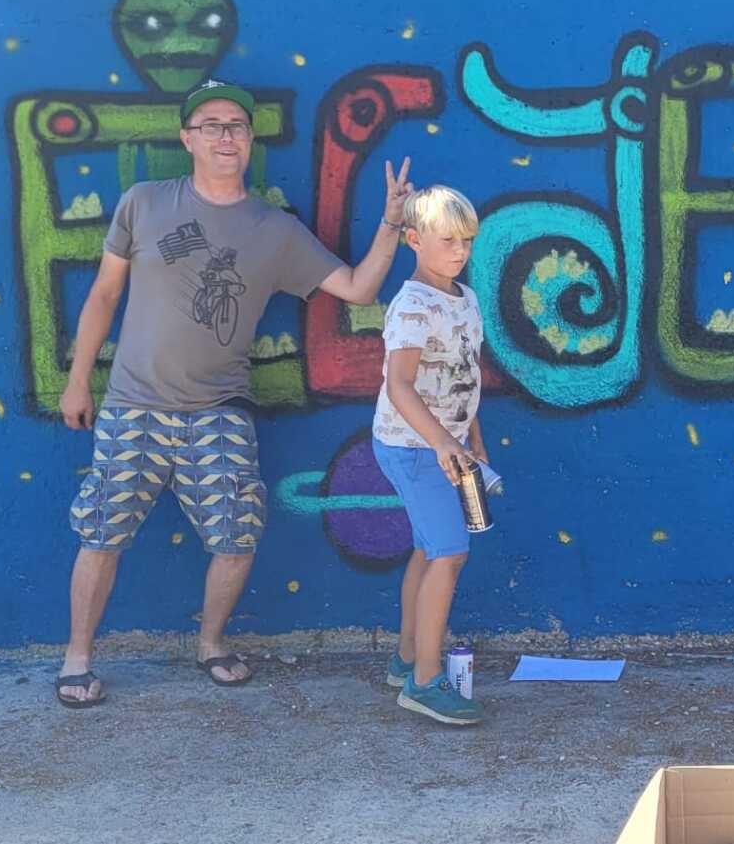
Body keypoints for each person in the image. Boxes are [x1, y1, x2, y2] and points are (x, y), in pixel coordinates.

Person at [54, 79, 414, 708]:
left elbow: (358, 288)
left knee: (237, 535)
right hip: (133, 406)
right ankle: (77, 657)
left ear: (249, 141)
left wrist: (390, 223)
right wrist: (78, 379)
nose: (227, 136)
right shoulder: (144, 202)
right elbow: (105, 295)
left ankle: (212, 643)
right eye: (213, 126)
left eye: (238, 127)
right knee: (101, 533)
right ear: (188, 138)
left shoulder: (274, 229)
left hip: (218, 411)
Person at [370, 185, 488, 725]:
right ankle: (424, 682)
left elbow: (465, 375)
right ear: (414, 240)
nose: (460, 251)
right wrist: (443, 441)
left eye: (467, 240)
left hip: (445, 447)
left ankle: (405, 659)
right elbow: (399, 385)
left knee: (427, 549)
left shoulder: (464, 297)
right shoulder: (413, 306)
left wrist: (471, 438)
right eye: (448, 240)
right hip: (414, 447)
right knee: (450, 553)